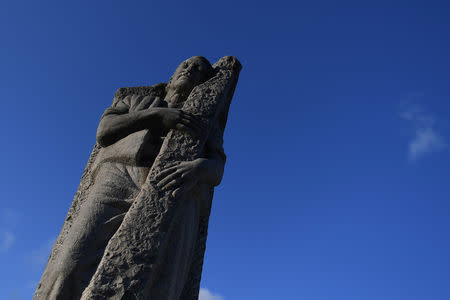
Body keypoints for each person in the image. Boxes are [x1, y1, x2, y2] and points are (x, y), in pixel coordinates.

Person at [35, 56, 226, 299]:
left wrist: (198, 167)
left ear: (204, 81)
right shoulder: (135, 100)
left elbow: (217, 166)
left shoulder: (203, 117)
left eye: (198, 68)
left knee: (164, 278)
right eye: (185, 64)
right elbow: (104, 131)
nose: (189, 69)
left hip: (174, 185)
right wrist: (155, 115)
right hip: (118, 175)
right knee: (69, 263)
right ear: (172, 76)